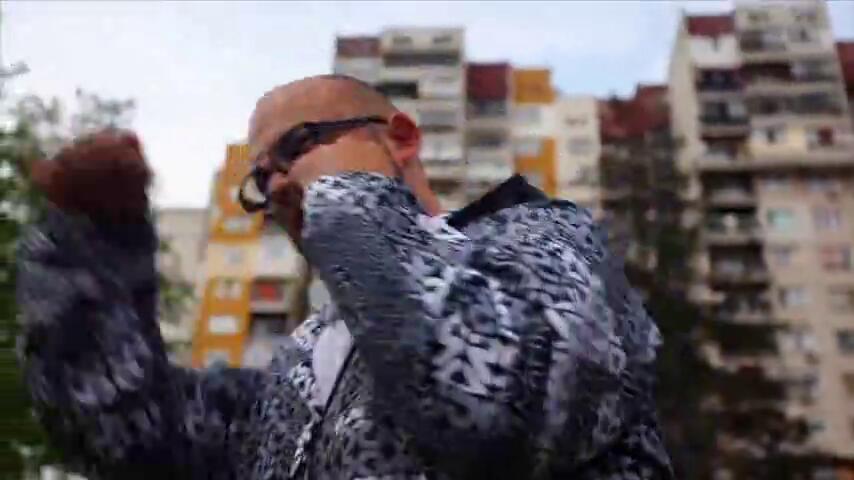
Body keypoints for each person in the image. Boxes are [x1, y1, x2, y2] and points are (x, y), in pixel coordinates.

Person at [17, 75, 673, 479]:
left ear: (400, 139)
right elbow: (132, 438)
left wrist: (345, 202)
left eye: (296, 147)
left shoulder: (544, 243)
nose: (277, 186)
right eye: (260, 179)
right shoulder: (300, 372)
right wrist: (92, 243)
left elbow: (502, 409)